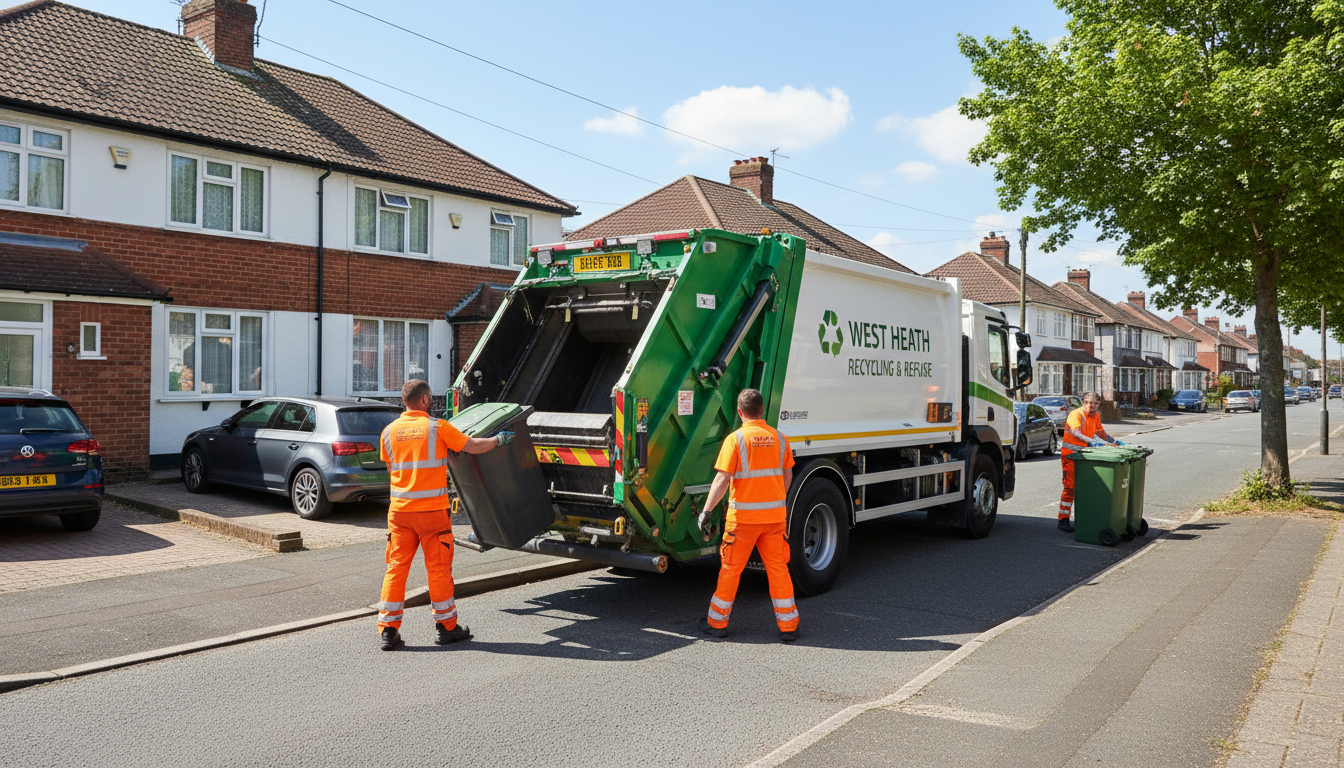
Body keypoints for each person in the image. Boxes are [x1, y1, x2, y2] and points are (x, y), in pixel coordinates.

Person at [376, 379, 512, 651]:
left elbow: (393, 471)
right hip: (432, 514)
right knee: (438, 570)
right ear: (425, 400)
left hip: (400, 513)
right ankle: (446, 627)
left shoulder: (388, 432)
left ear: (405, 401)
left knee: (396, 569)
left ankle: (388, 631)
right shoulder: (437, 428)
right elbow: (472, 446)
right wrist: (499, 440)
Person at [696, 388, 800, 642]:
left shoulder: (735, 439)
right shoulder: (780, 439)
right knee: (778, 570)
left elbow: (722, 479)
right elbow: (787, 476)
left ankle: (717, 624)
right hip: (774, 520)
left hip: (742, 521)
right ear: (762, 410)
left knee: (731, 570)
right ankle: (789, 627)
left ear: (740, 412)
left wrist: (706, 510)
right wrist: (775, 500)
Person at [1058, 391, 1124, 533]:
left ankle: (1084, 519)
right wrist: (1093, 443)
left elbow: (1101, 433)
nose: (1092, 406)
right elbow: (1076, 433)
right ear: (1084, 402)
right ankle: (1063, 519)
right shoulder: (1077, 414)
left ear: (1098, 404)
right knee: (1070, 487)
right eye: (1089, 403)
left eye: (1095, 403)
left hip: (1085, 456)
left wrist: (1115, 441)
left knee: (1086, 488)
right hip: (1071, 455)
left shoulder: (1095, 416)